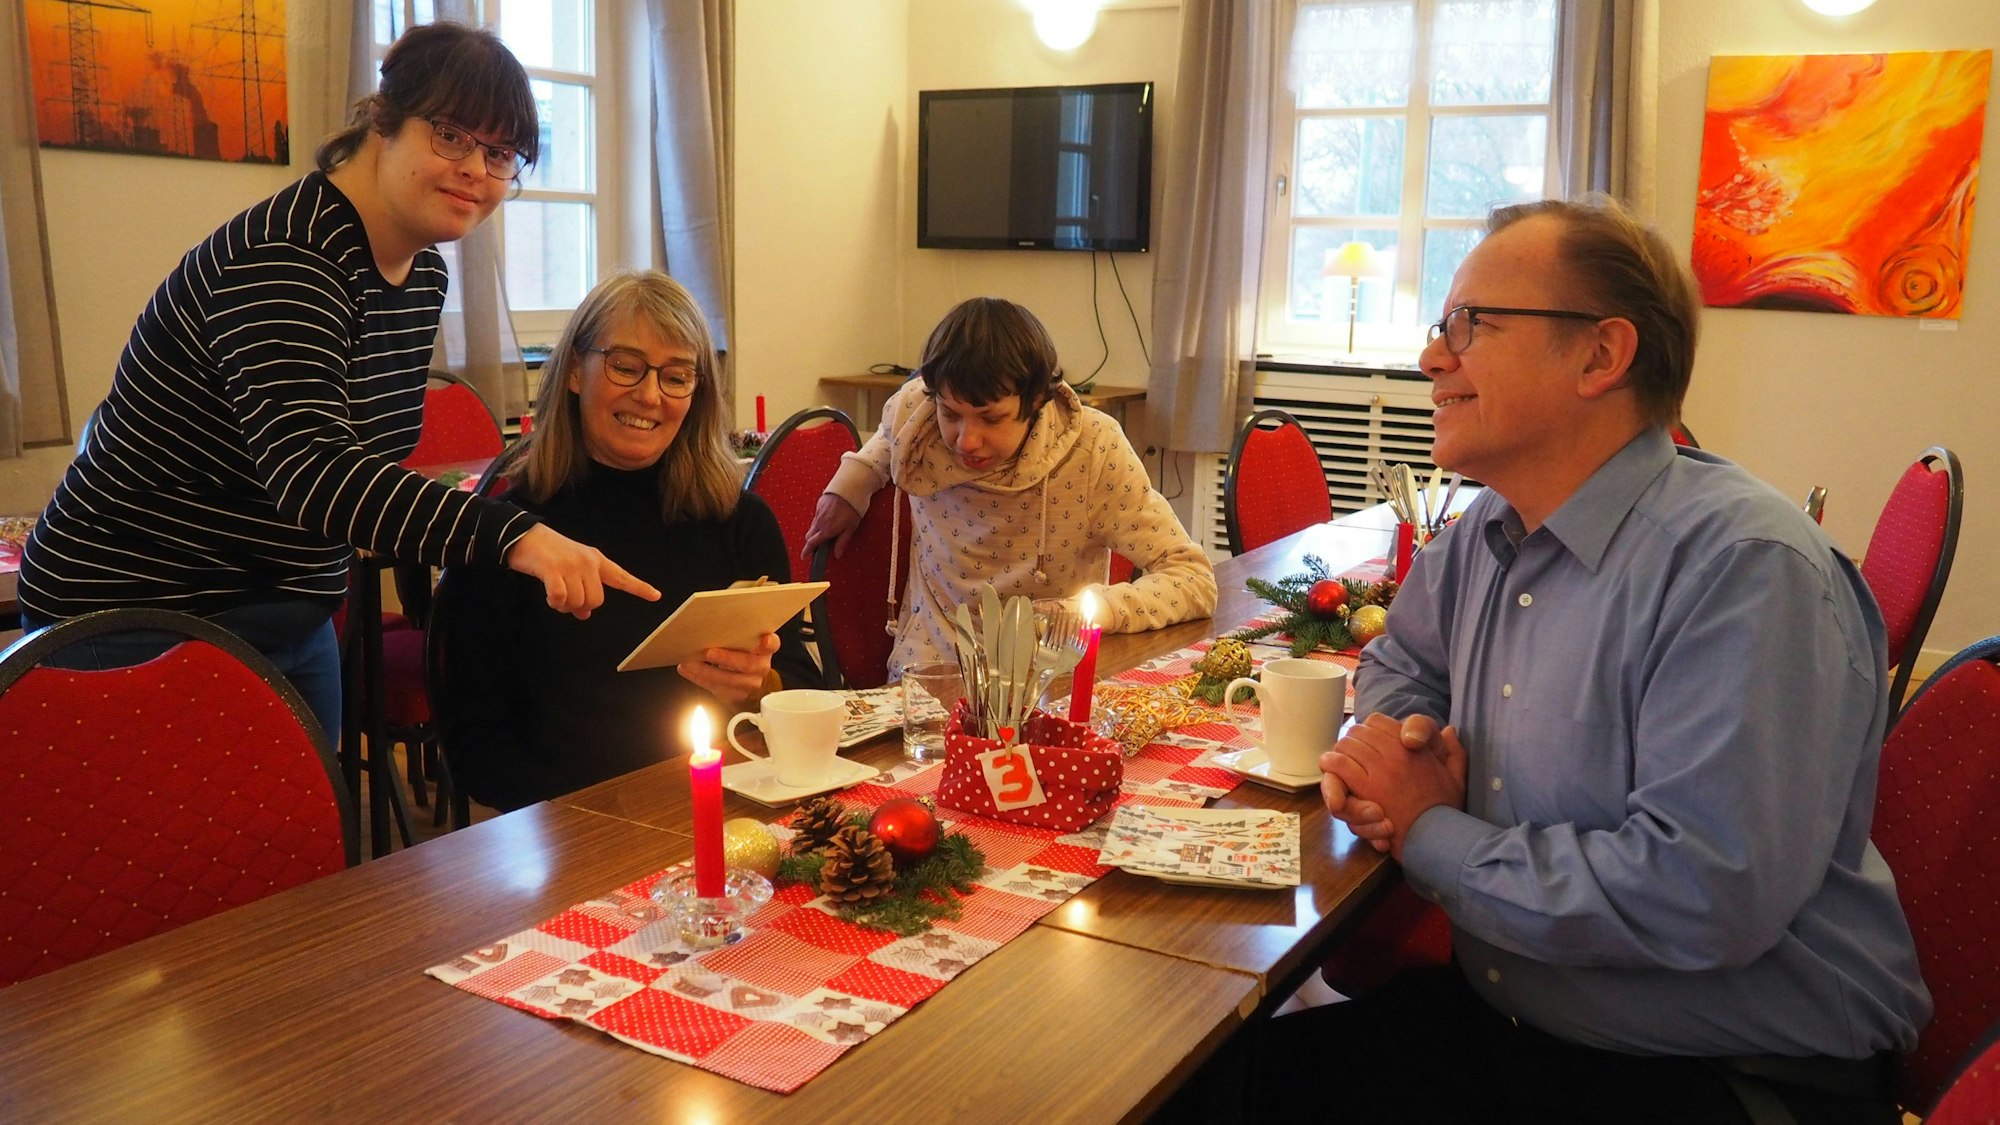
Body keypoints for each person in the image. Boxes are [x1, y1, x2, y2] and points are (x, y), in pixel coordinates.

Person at [1262, 197, 1931, 1124]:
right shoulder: (1490, 527)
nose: (1431, 358)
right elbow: (1405, 660)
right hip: (1528, 1024)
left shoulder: (1743, 570)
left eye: (1470, 324)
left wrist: (1430, 829)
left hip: (1724, 1073)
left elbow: (1700, 893)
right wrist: (1406, 741)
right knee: (1209, 1086)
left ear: (1601, 355)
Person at [15, 23, 657, 742]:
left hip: (287, 608)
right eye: (451, 136)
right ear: (384, 121)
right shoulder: (288, 255)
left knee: (313, 819)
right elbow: (315, 474)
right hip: (140, 611)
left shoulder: (422, 271)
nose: (477, 169)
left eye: (501, 153)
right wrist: (514, 537)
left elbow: (361, 464)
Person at [431, 271, 822, 811]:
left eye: (676, 377)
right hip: (571, 822)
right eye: (625, 366)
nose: (649, 395)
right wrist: (597, 820)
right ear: (575, 370)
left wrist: (760, 686)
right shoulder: (511, 537)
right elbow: (476, 746)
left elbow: (804, 688)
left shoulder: (740, 523)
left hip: (730, 810)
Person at [801, 297, 1215, 677]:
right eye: (950, 414)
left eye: (991, 418)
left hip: (1048, 680)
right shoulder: (916, 416)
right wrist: (851, 482)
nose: (966, 440)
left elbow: (1193, 579)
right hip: (930, 677)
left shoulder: (1093, 449)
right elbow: (891, 436)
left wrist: (1097, 610)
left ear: (1036, 402)